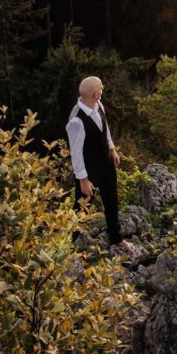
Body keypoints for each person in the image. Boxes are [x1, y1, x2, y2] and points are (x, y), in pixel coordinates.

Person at [66, 75, 134, 253]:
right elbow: (76, 153)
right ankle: (69, 243)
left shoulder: (98, 105)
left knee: (112, 201)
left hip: (106, 163)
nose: (103, 90)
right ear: (96, 94)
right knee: (82, 206)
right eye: (101, 88)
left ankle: (116, 238)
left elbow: (106, 130)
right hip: (89, 172)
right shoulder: (76, 121)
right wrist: (83, 180)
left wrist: (112, 150)